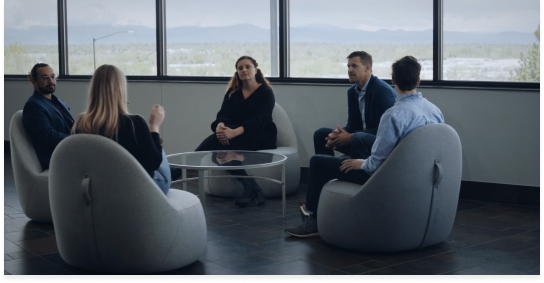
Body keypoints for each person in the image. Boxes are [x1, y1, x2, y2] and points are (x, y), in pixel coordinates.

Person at [285, 56, 445, 238]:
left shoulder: (393, 115)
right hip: (419, 175)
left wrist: (361, 163)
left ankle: (313, 221)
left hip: (385, 177)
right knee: (328, 139)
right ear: (418, 80)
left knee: (316, 162)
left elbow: (376, 163)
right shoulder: (435, 110)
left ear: (393, 80)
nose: (350, 69)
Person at [72, 65, 172, 194]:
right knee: (155, 142)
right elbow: (153, 164)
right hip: (139, 189)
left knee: (149, 142)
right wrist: (154, 126)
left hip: (100, 189)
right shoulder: (134, 122)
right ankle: (174, 172)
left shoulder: (80, 123)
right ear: (120, 90)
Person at [195, 55, 277, 207]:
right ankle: (251, 186)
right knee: (219, 152)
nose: (244, 70)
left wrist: (233, 132)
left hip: (260, 136)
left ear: (256, 70)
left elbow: (258, 120)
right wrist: (220, 126)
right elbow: (223, 114)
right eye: (240, 68)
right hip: (237, 135)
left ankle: (181, 168)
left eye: (247, 67)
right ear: (237, 72)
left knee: (216, 146)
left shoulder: (266, 92)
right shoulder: (233, 92)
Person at [314, 51, 396, 159]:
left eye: (354, 66)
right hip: (358, 138)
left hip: (376, 143)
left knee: (358, 138)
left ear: (367, 67)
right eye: (348, 66)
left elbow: (382, 131)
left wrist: (350, 137)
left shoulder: (383, 91)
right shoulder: (352, 92)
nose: (349, 70)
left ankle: (359, 174)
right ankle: (326, 173)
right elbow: (352, 125)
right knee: (321, 134)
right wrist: (338, 135)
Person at [23, 63, 74, 170]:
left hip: (70, 148)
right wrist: (77, 140)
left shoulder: (58, 101)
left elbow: (70, 125)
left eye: (53, 76)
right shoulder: (33, 105)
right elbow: (49, 136)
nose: (51, 81)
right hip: (57, 157)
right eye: (45, 78)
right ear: (33, 81)